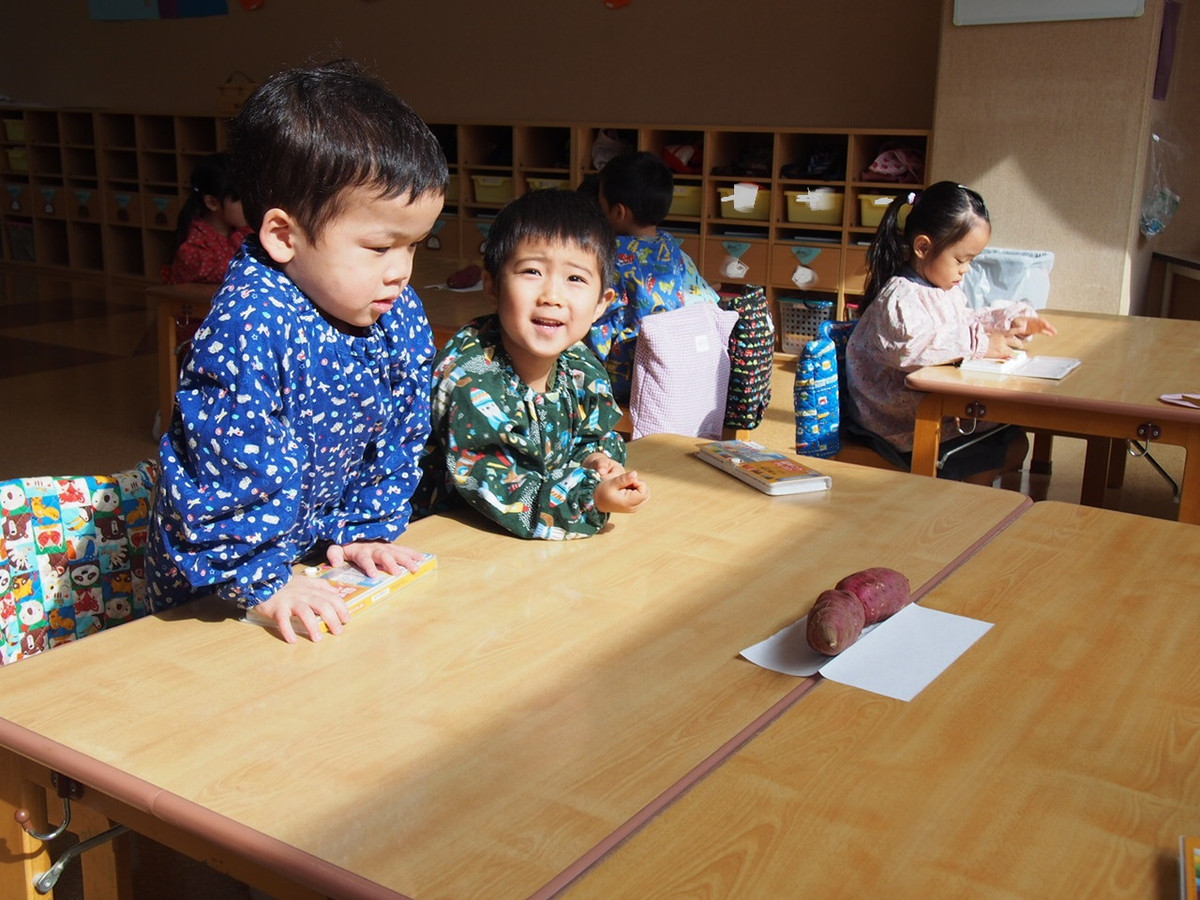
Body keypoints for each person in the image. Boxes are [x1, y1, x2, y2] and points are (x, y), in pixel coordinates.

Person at [146, 59, 448, 642]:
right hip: (217, 589)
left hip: (314, 553)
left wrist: (365, 529)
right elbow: (228, 472)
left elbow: (403, 429)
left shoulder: (393, 306)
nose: (401, 272)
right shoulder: (251, 327)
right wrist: (261, 580)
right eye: (380, 246)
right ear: (284, 235)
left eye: (413, 246)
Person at [418, 189, 650, 539]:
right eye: (532, 271)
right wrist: (591, 499)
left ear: (602, 303)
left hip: (532, 546)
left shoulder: (580, 366)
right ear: (493, 285)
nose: (551, 297)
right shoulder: (471, 376)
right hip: (456, 538)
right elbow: (499, 487)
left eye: (575, 279)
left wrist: (594, 461)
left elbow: (593, 435)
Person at [845, 180, 1057, 484]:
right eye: (961, 259)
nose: (966, 269)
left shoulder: (942, 287)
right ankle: (962, 519)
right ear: (922, 247)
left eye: (971, 260)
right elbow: (912, 349)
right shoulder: (900, 298)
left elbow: (965, 321)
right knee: (985, 461)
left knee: (1014, 441)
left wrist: (1010, 321)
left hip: (927, 408)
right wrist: (980, 345)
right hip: (895, 424)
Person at [585, 151, 720, 400]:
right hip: (670, 366)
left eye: (601, 204)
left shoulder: (611, 253)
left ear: (618, 213)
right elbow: (708, 299)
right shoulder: (671, 248)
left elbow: (590, 309)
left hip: (623, 376)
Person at [162, 152, 252, 285]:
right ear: (212, 203)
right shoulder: (194, 249)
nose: (249, 205)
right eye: (238, 200)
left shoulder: (245, 231)